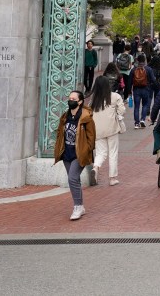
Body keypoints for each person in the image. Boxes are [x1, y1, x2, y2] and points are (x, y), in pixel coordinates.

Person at [53, 89, 95, 220]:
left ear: (80, 102)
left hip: (79, 153)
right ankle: (80, 206)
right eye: (69, 99)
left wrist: (85, 150)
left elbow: (91, 137)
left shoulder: (86, 118)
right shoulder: (65, 116)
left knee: (72, 178)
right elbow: (60, 132)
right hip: (67, 153)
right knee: (74, 180)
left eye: (73, 99)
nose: (70, 101)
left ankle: (77, 206)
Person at [89, 75, 124, 186]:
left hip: (98, 130)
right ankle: (112, 178)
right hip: (112, 129)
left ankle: (95, 167)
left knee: (101, 153)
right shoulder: (114, 96)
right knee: (113, 153)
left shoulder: (93, 99)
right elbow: (122, 110)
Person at [130, 54, 156, 129]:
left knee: (136, 106)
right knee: (145, 105)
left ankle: (136, 123)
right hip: (146, 89)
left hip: (136, 89)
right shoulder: (148, 69)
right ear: (144, 60)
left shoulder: (134, 69)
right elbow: (153, 80)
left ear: (137, 60)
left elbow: (130, 81)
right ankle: (142, 120)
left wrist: (129, 91)